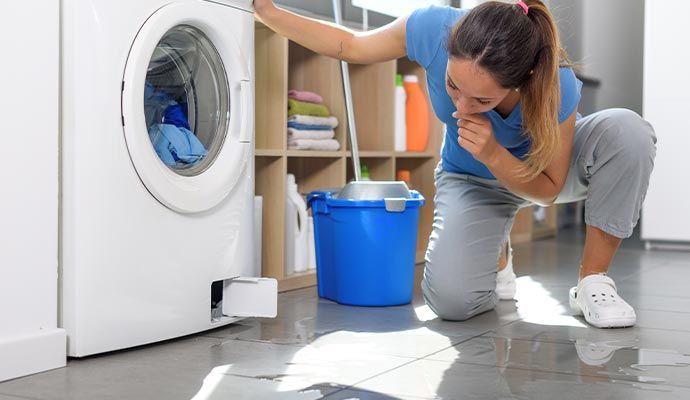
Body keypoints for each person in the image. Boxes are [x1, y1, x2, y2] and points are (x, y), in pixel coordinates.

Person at [254, 0, 657, 328]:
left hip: (546, 170)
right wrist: (270, 12)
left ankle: (592, 282)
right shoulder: (433, 27)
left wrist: (495, 154)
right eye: (452, 86)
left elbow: (550, 189)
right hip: (471, 179)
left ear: (522, 79)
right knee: (451, 302)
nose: (462, 109)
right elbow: (350, 46)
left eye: (482, 101)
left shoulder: (554, 81)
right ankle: (495, 249)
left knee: (628, 130)